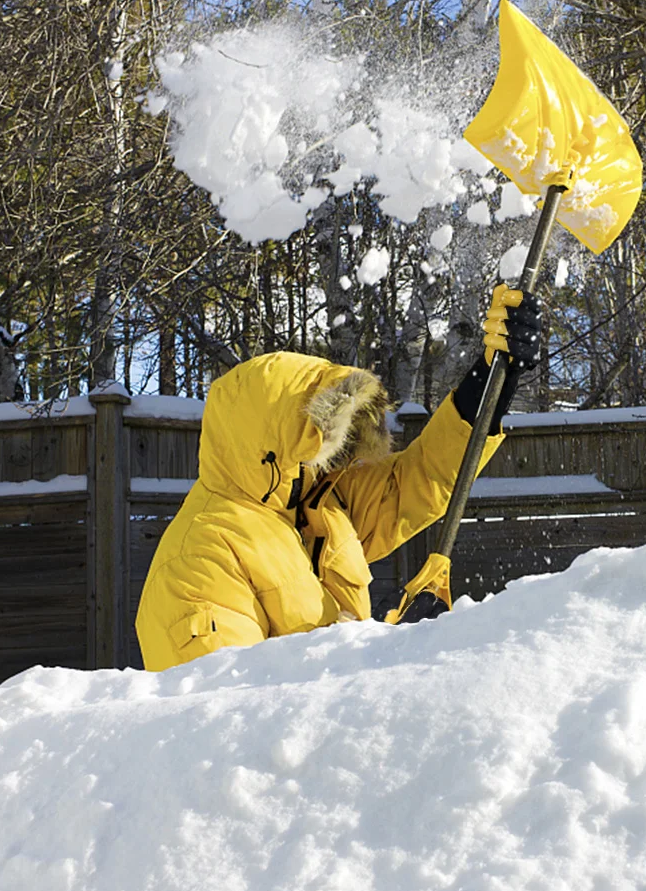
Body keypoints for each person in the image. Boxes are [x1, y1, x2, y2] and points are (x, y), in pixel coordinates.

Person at [135, 285, 541, 670]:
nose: (338, 458)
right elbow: (233, 716)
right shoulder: (198, 562)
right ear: (275, 443)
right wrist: (381, 658)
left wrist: (488, 386)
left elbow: (417, 480)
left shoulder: (315, 507)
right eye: (325, 440)